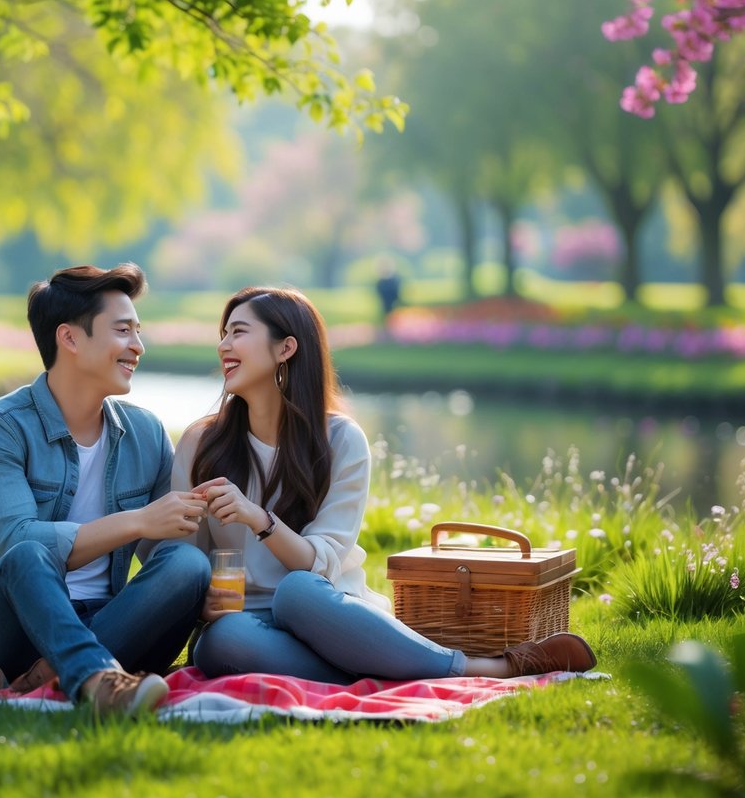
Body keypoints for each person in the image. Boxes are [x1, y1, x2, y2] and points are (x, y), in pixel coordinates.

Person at [171, 286, 597, 683]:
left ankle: (488, 666)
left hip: (322, 609)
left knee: (295, 591)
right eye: (223, 333)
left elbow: (318, 564)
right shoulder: (200, 442)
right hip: (246, 621)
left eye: (238, 332)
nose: (223, 345)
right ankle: (385, 665)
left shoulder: (340, 440)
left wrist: (259, 518)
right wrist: (201, 601)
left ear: (286, 348)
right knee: (224, 640)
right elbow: (182, 560)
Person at [0, 263, 211, 715]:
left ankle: (51, 674)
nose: (137, 346)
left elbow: (165, 556)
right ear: (70, 339)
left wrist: (209, 584)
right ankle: (98, 680)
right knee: (27, 552)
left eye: (137, 332)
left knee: (188, 562)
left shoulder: (146, 432)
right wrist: (138, 520)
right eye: (123, 331)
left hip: (107, 621)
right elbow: (19, 540)